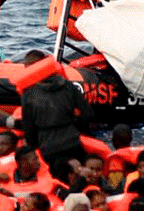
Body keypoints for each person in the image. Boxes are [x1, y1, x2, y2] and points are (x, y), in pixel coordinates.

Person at [19, 49, 93, 181]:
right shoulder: (67, 86)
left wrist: (33, 147)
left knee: (58, 183)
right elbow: (88, 114)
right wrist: (73, 124)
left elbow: (29, 129)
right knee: (81, 179)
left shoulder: (29, 94)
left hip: (48, 148)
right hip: (72, 142)